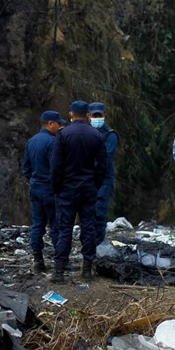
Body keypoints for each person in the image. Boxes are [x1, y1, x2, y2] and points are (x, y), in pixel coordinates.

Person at [50, 101, 107, 282]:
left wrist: (56, 186)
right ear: (87, 114)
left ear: (71, 114)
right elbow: (103, 165)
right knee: (88, 227)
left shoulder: (63, 134)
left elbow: (56, 165)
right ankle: (87, 270)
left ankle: (59, 272)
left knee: (65, 228)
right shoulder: (96, 135)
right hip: (88, 187)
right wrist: (95, 183)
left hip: (67, 188)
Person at [22, 110, 66, 273]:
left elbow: (25, 168)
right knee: (56, 225)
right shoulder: (52, 143)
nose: (61, 127)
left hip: (35, 189)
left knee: (38, 224)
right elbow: (56, 169)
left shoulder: (31, 141)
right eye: (59, 124)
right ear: (50, 124)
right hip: (50, 190)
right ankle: (58, 263)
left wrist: (33, 181)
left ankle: (37, 260)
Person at [88, 102, 119, 246]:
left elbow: (106, 157)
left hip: (103, 178)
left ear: (104, 115)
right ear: (88, 116)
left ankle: (97, 245)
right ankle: (88, 244)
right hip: (87, 178)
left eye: (99, 115)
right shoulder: (85, 133)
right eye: (94, 115)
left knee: (99, 212)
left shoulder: (110, 135)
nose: (96, 118)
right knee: (87, 212)